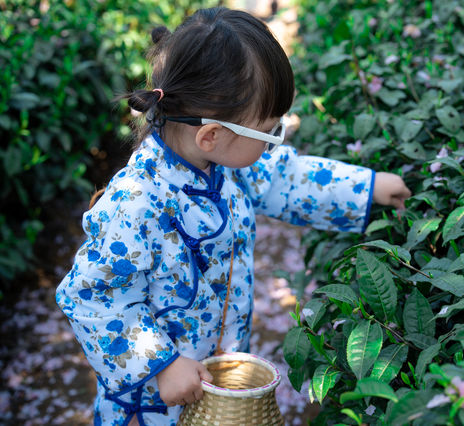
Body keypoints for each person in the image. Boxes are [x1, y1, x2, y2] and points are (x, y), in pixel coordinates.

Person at [56, 7, 411, 426]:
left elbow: (286, 180)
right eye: (270, 131)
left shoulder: (221, 165)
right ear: (211, 134)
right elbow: (91, 296)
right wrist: (160, 364)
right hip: (152, 402)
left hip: (214, 379)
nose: (275, 143)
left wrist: (367, 187)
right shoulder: (136, 203)